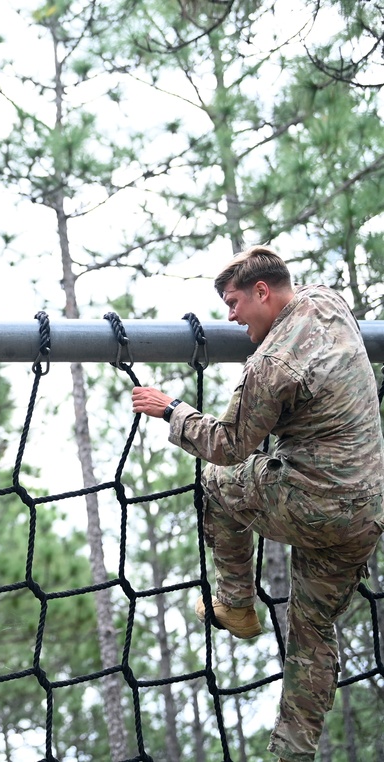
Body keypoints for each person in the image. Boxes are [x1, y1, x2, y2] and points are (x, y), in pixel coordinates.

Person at [131, 246, 384, 762]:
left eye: (233, 302)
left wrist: (171, 410)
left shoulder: (270, 362)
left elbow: (228, 444)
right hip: (368, 511)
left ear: (262, 293)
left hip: (316, 503)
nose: (230, 317)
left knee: (216, 480)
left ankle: (237, 603)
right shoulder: (329, 302)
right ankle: (291, 754)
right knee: (311, 630)